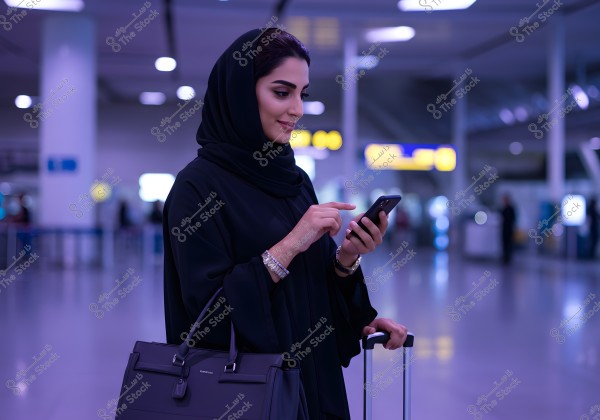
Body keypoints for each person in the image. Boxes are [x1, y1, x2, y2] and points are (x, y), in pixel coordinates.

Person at [163, 28, 408, 420]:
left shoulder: (294, 180)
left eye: (302, 93)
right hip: (247, 393)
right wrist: (292, 242)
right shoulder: (197, 187)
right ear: (241, 93)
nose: (297, 108)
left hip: (314, 384)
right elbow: (206, 316)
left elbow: (312, 287)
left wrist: (347, 261)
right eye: (282, 92)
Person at [500, 194, 516, 265]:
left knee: (509, 244)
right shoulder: (503, 209)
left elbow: (514, 219)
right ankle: (504, 257)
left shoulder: (511, 209)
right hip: (504, 229)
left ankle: (508, 258)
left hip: (509, 229)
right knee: (504, 244)